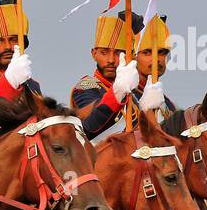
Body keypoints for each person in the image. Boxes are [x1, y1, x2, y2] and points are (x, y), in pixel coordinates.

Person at [71, 11, 175, 139]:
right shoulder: (87, 87)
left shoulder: (156, 99)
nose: (111, 60)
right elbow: (88, 128)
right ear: (94, 54)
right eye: (104, 52)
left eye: (118, 53)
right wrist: (118, 94)